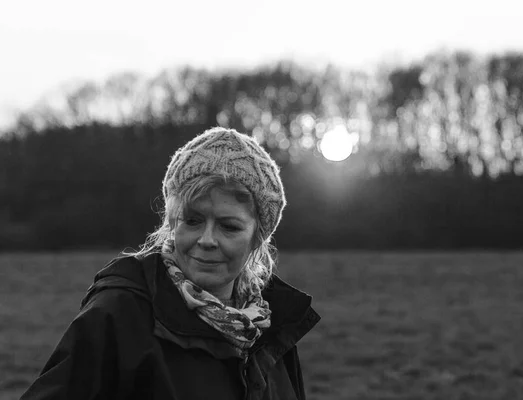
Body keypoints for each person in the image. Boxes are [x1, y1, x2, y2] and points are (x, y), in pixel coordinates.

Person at [21, 127, 321, 400]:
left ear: (259, 237)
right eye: (192, 220)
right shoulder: (118, 316)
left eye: (229, 227)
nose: (206, 239)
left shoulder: (273, 327)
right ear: (171, 222)